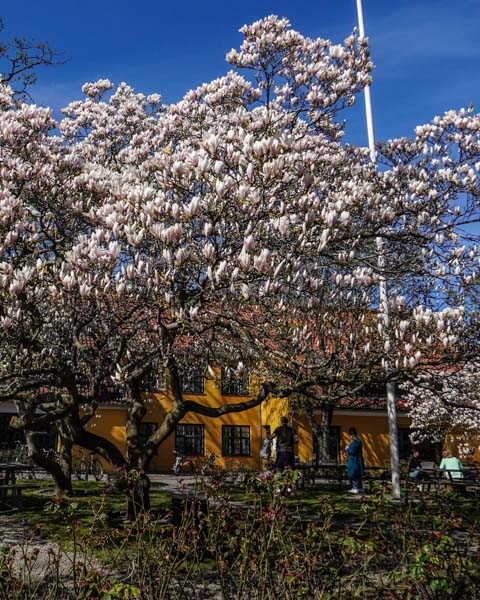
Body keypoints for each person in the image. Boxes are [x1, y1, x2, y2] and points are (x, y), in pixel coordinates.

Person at [344, 427, 365, 494]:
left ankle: (355, 488)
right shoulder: (357, 441)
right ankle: (359, 488)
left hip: (355, 461)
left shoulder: (356, 441)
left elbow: (352, 451)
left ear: (352, 435)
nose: (350, 437)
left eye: (350, 435)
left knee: (354, 474)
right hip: (355, 460)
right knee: (357, 474)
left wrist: (347, 448)